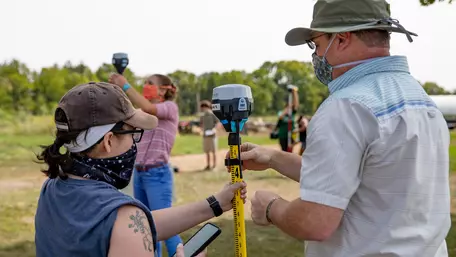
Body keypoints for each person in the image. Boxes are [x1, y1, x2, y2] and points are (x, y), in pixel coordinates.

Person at [234, 0, 451, 256]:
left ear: (342, 39)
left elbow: (315, 221)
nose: (315, 55)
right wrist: (273, 157)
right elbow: (360, 178)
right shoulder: (420, 99)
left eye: (316, 44)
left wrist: (271, 206)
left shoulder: (346, 107)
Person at [35, 81, 247, 257]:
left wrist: (214, 204)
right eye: (133, 134)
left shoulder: (51, 189)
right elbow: (130, 227)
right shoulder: (123, 216)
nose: (134, 144)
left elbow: (138, 225)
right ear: (108, 141)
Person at [108, 74, 183, 257]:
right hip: (139, 174)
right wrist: (117, 90)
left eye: (150, 83)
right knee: (145, 226)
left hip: (157, 174)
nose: (146, 86)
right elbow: (130, 112)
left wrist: (125, 85)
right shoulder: (143, 113)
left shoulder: (169, 108)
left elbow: (149, 107)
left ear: (164, 89)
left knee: (166, 226)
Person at [274, 85, 299, 152]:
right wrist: (287, 109)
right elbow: (280, 117)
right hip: (283, 135)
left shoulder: (292, 113)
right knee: (284, 150)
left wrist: (294, 92)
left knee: (290, 150)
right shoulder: (281, 112)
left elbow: (296, 104)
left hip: (291, 134)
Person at [199, 100, 219, 170]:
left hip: (213, 136)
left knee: (214, 151)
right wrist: (201, 130)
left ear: (206, 107)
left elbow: (217, 123)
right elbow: (201, 124)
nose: (202, 109)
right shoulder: (203, 115)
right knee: (207, 151)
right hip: (205, 136)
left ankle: (214, 166)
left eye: (203, 108)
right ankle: (208, 165)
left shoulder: (213, 114)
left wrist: (214, 129)